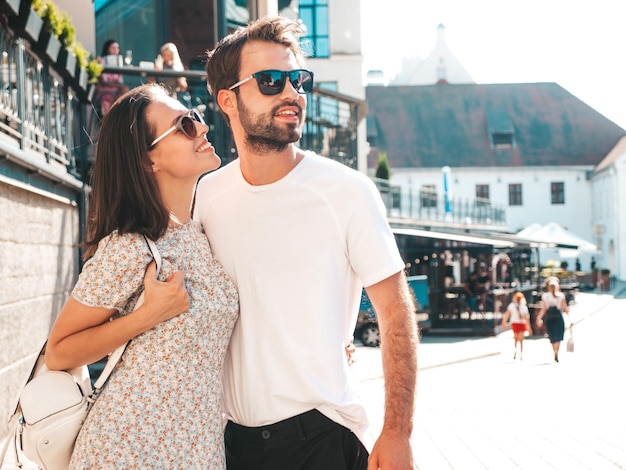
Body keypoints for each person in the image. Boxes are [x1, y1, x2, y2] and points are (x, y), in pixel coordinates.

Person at [195, 16, 418, 470]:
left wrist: (396, 432)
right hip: (233, 443)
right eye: (271, 81)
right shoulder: (206, 196)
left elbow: (396, 313)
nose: (292, 93)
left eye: (298, 80)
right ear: (228, 100)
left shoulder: (347, 191)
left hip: (324, 436)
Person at [44, 83, 239, 467]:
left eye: (195, 117)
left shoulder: (200, 233)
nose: (202, 129)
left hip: (194, 448)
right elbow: (59, 352)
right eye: (184, 125)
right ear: (149, 160)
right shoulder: (132, 245)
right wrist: (147, 316)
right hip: (129, 450)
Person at [92, 39, 129, 118]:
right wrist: (119, 86)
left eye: (117, 48)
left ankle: (120, 118)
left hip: (115, 90)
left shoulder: (119, 63)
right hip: (104, 90)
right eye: (113, 48)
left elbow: (120, 81)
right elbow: (104, 81)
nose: (116, 50)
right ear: (107, 49)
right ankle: (111, 118)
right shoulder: (101, 61)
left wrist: (119, 86)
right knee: (123, 92)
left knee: (124, 94)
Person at [535, 277, 570, 362]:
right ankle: (556, 352)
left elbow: (544, 308)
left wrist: (539, 317)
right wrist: (569, 318)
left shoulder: (545, 296)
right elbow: (564, 308)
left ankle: (554, 351)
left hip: (549, 317)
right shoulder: (561, 295)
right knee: (558, 335)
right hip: (558, 317)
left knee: (552, 336)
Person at [501, 292, 532, 360]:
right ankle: (520, 353)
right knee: (521, 340)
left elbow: (506, 315)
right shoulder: (523, 306)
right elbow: (527, 318)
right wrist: (529, 328)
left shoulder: (512, 305)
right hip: (521, 323)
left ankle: (516, 350)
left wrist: (504, 323)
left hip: (515, 323)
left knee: (516, 338)